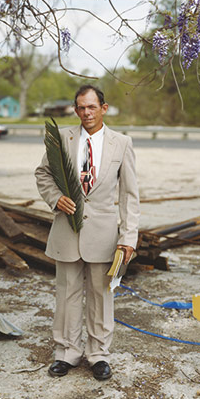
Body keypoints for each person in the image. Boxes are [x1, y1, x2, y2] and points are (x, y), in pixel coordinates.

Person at [35, 84, 140, 380]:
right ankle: (66, 352)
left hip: (104, 234)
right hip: (66, 231)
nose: (86, 113)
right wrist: (55, 197)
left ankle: (98, 355)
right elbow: (42, 174)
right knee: (66, 294)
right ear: (75, 109)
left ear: (103, 109)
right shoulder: (61, 139)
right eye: (81, 107)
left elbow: (130, 195)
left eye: (91, 107)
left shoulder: (122, 143)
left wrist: (128, 238)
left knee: (101, 295)